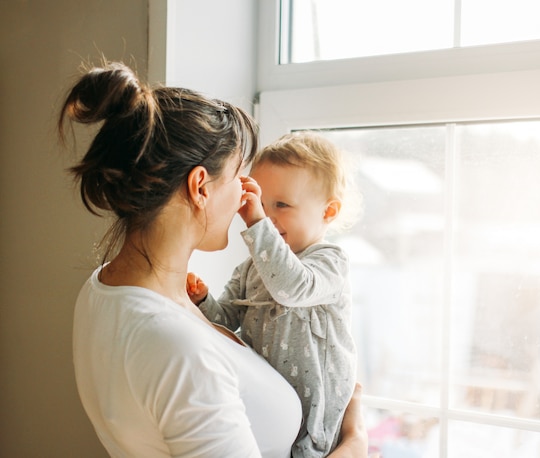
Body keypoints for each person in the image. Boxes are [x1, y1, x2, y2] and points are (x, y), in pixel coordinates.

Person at [59, 61, 367, 457]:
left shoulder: (102, 287)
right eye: (242, 177)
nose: (247, 197)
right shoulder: (176, 346)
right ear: (200, 187)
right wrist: (356, 446)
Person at [187, 132, 360, 457]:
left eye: (281, 205)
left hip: (316, 415)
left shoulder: (329, 261)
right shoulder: (253, 267)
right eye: (260, 203)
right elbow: (227, 321)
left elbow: (292, 287)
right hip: (270, 405)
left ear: (328, 212)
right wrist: (203, 301)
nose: (266, 215)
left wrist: (256, 221)